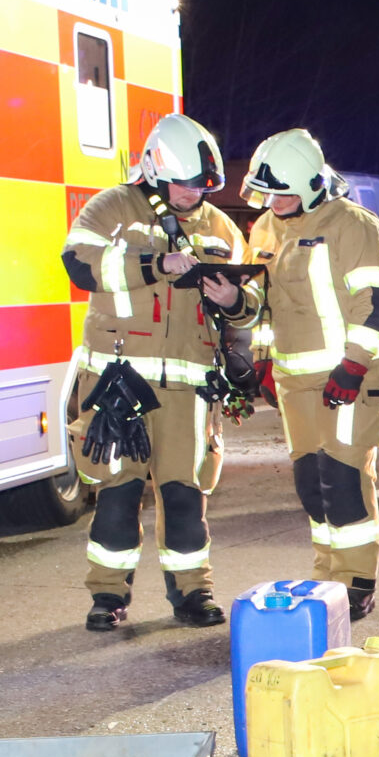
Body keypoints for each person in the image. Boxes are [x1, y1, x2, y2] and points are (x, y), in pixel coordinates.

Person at [61, 113, 258, 631]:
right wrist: (155, 267)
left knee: (185, 493)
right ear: (153, 168)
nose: (192, 194)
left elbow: (252, 303)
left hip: (190, 389)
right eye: (183, 183)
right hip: (119, 380)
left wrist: (235, 299)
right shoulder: (112, 208)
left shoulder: (221, 227)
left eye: (201, 185)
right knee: (118, 493)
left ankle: (194, 594)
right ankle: (107, 597)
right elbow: (78, 263)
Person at [244, 128, 379, 621]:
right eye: (268, 193)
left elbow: (375, 302)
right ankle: (328, 576)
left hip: (352, 376)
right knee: (312, 483)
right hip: (296, 382)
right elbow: (268, 307)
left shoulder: (353, 224)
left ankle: (356, 583)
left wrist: (354, 364)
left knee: (344, 478)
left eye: (283, 192)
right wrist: (265, 360)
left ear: (312, 183)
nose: (274, 201)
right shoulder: (266, 228)